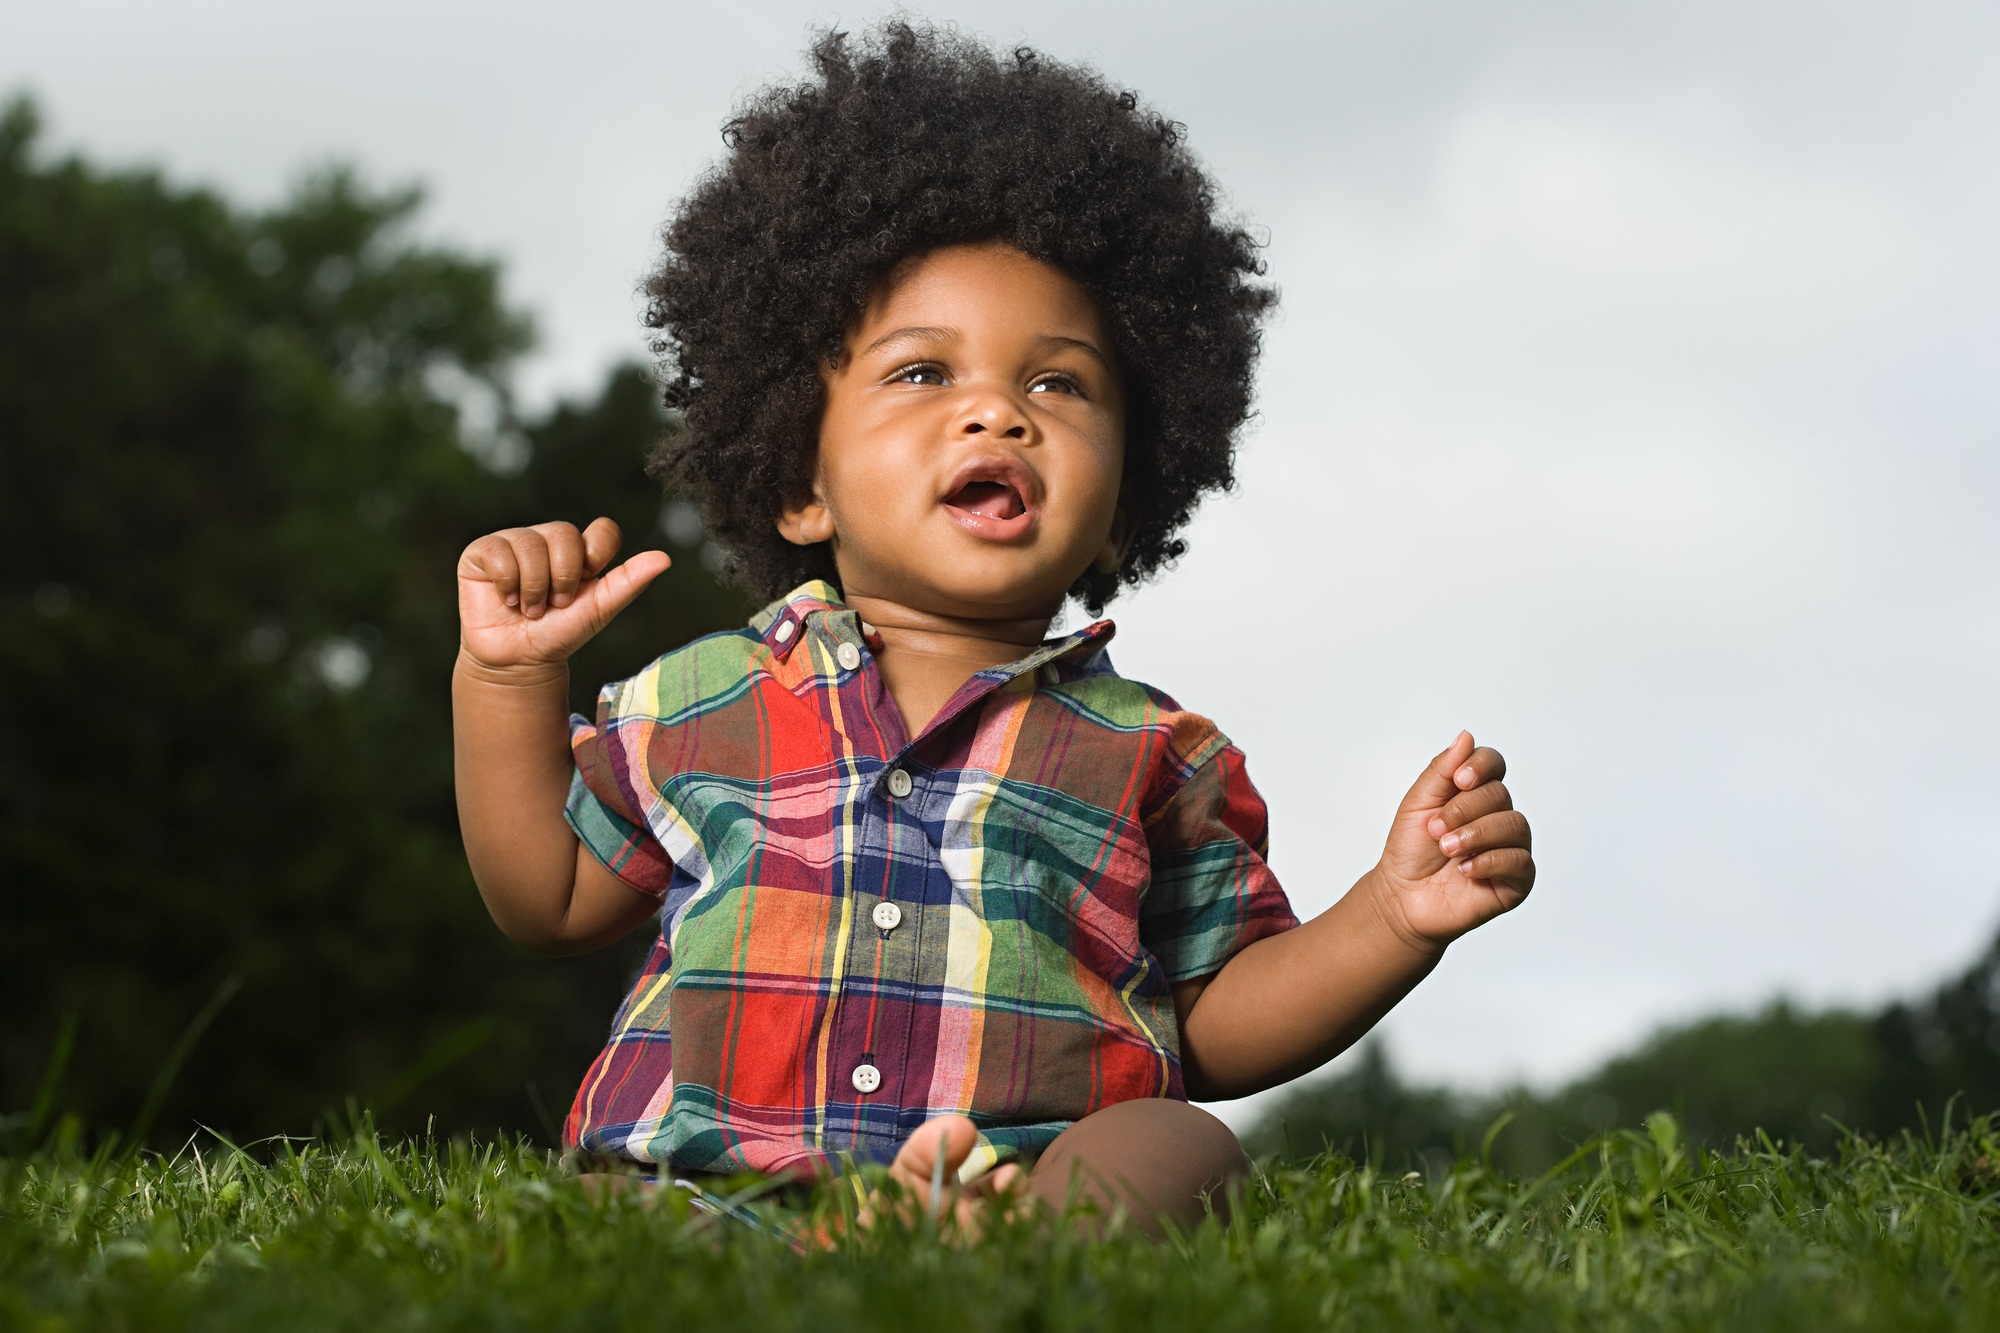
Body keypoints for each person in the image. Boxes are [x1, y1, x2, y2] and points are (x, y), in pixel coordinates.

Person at [452, 23, 1534, 1237]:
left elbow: (1215, 1021)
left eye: (1056, 384)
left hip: (1022, 1184)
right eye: (920, 374)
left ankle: (1005, 1249)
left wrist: (1388, 916)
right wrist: (505, 678)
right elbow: (541, 897)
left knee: (1178, 1140)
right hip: (711, 1188)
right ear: (800, 482)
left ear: (1120, 509)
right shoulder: (701, 696)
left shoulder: (1157, 754)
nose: (995, 414)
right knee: (615, 1220)